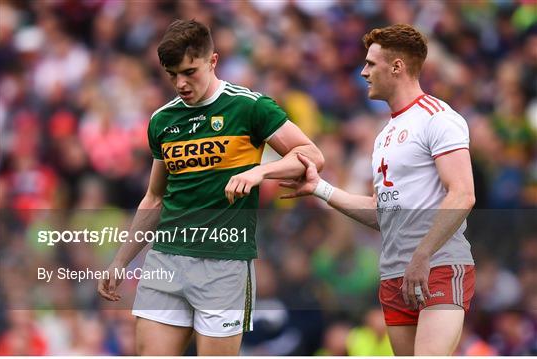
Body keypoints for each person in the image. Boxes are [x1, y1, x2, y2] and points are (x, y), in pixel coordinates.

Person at [97, 19, 323, 356]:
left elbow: (311, 156)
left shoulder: (249, 107)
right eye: (172, 74)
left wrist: (261, 172)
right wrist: (121, 261)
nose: (181, 83)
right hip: (167, 259)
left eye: (190, 71)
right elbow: (156, 197)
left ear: (213, 61)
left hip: (225, 264)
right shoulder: (162, 121)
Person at [281, 24, 476, 356]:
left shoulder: (439, 118)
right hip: (395, 273)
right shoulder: (385, 134)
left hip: (438, 266)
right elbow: (381, 212)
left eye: (371, 64)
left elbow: (462, 194)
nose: (363, 71)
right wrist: (320, 188)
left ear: (396, 67)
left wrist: (423, 254)